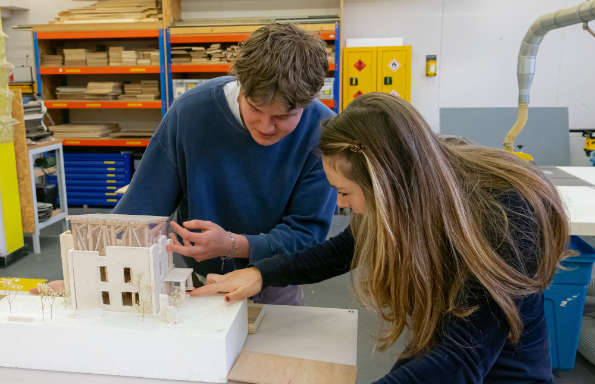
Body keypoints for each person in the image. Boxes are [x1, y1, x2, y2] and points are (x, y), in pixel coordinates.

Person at [189, 92, 570, 383]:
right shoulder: (418, 179)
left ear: (387, 186)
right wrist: (260, 274)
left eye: (346, 193)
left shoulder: (504, 218)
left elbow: (462, 360)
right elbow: (348, 248)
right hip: (443, 350)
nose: (340, 205)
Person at [35, 24, 337, 305]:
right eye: (256, 109)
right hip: (200, 281)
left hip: (275, 282)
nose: (266, 126)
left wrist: (233, 244)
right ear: (241, 84)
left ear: (308, 100)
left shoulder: (321, 131)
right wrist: (90, 275)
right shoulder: (191, 114)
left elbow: (307, 235)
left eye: (282, 117)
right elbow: (140, 209)